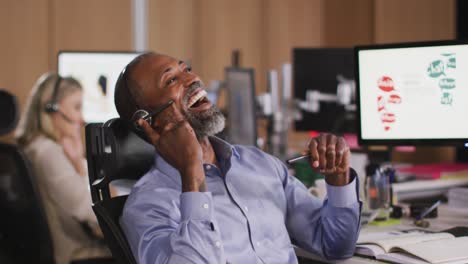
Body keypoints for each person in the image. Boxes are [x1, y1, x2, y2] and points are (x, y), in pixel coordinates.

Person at [115, 52, 362, 264]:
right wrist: (192, 173)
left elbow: (335, 245)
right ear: (147, 121)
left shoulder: (260, 164)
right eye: (171, 80)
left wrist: (339, 179)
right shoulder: (146, 206)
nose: (193, 79)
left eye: (187, 69)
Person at [16, 73, 111, 264]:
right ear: (52, 109)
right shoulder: (49, 153)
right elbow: (89, 210)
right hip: (78, 254)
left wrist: (77, 160)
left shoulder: (35, 147)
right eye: (77, 107)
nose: (81, 118)